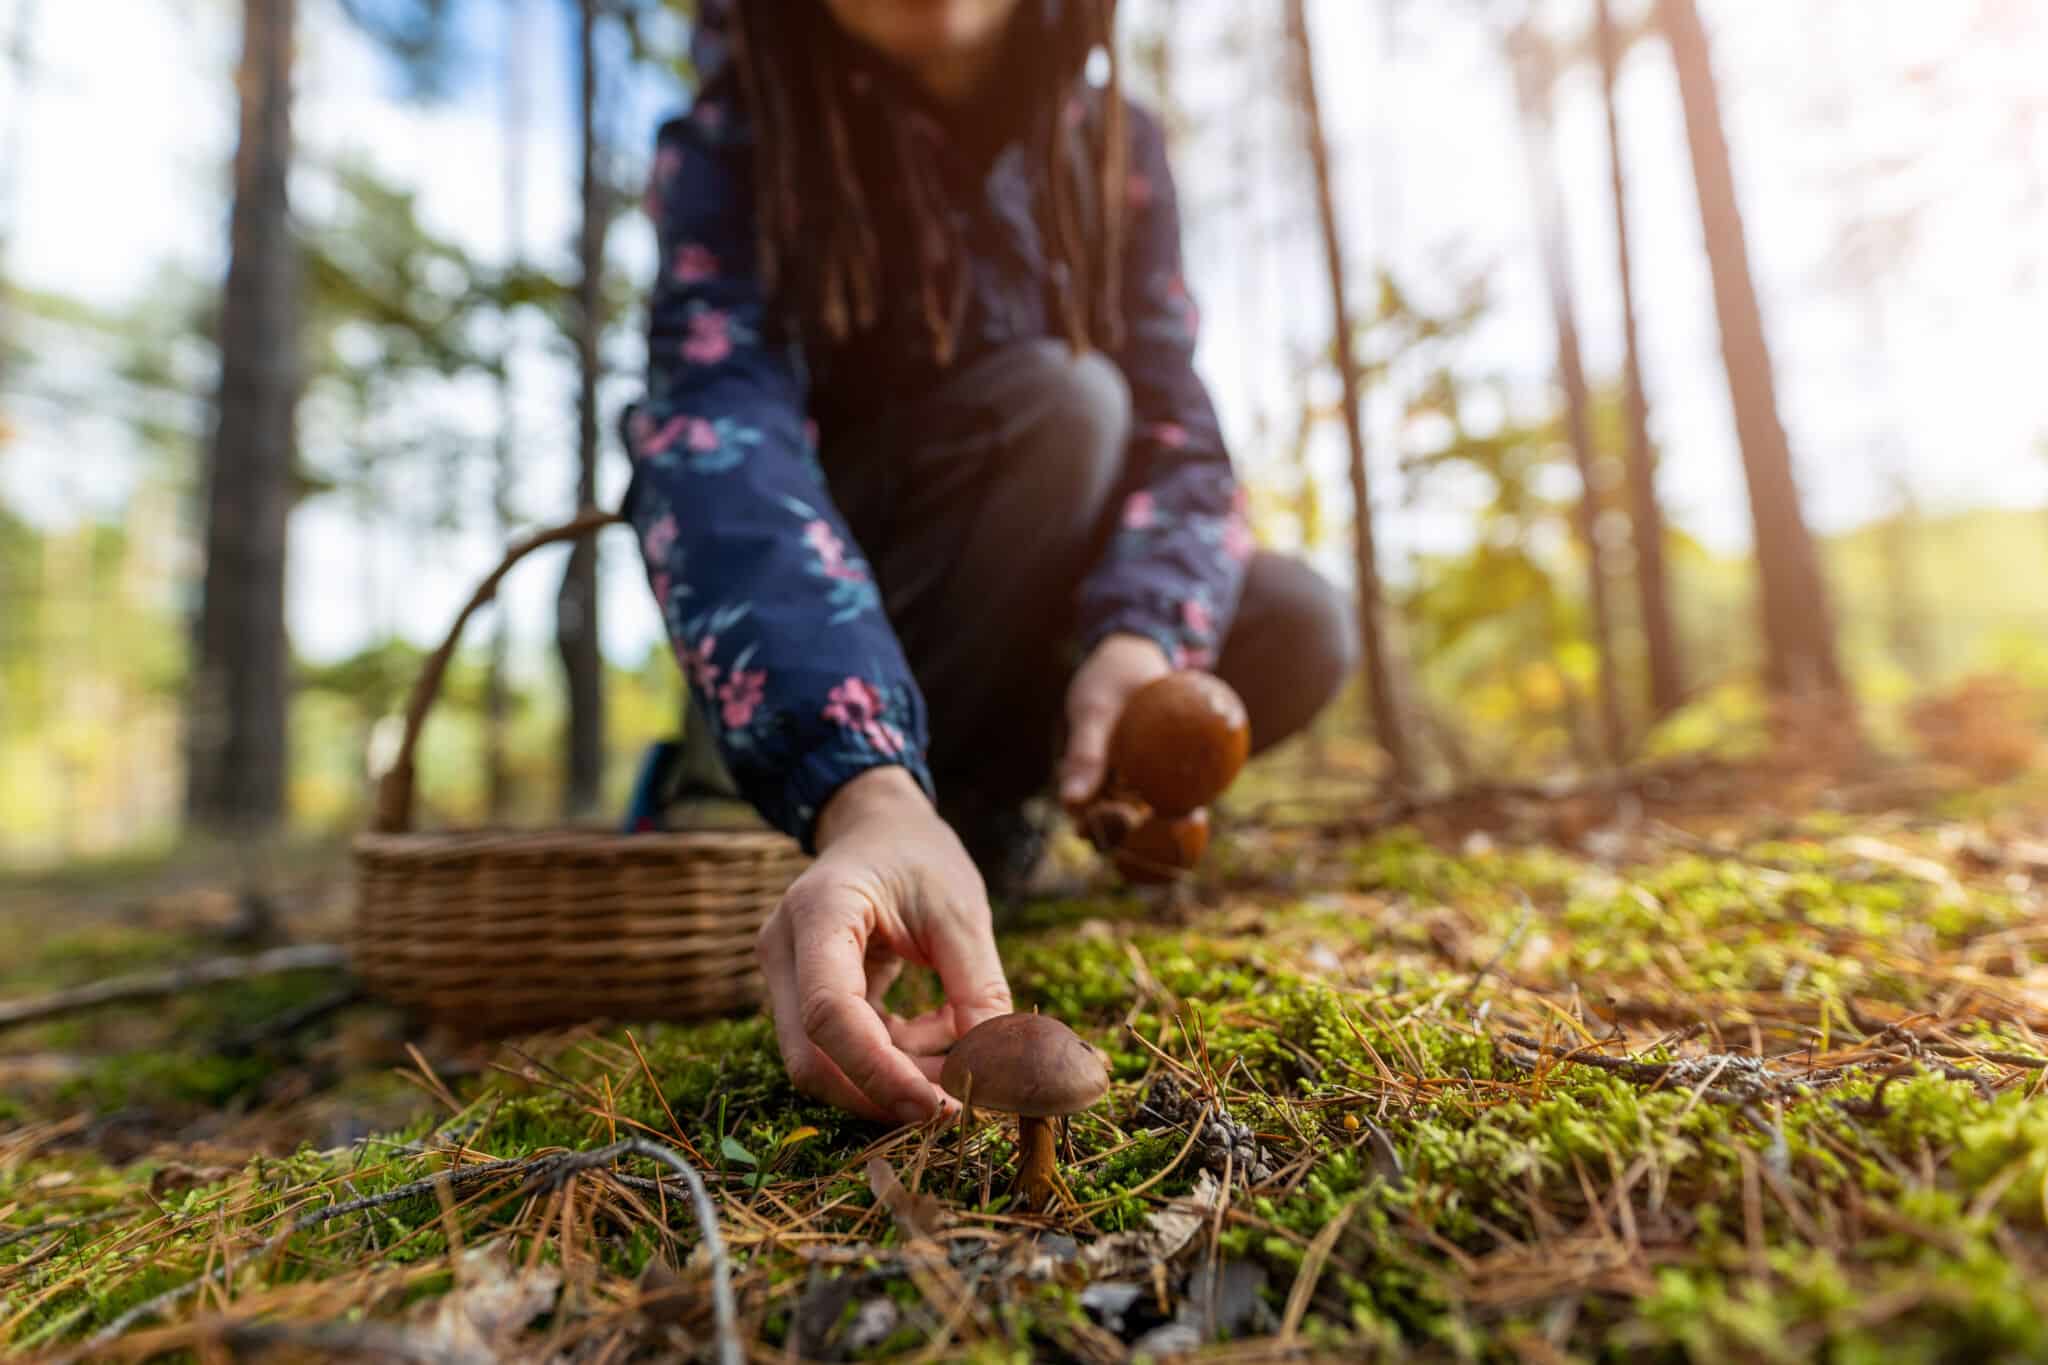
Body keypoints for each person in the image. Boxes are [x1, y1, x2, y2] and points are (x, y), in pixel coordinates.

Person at [619, 0, 1357, 1126]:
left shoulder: (1115, 146)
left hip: (1040, 611)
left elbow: (1183, 437)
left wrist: (1137, 636)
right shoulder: (737, 145)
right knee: (1060, 407)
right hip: (844, 623)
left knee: (1293, 623)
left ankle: (991, 821)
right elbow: (714, 442)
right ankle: (863, 814)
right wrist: (854, 781)